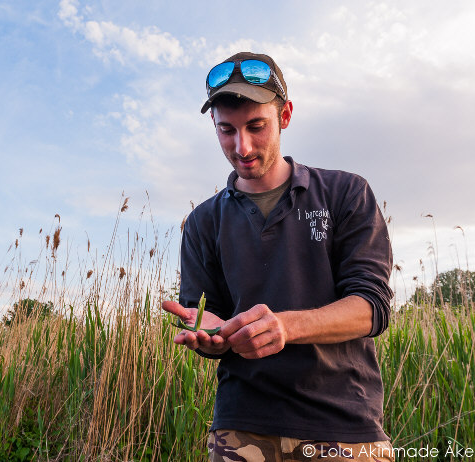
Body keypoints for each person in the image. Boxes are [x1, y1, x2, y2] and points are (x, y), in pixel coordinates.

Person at [160, 52, 395, 461]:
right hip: (240, 428)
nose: (242, 146)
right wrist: (211, 339)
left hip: (343, 426)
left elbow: (371, 308)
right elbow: (209, 317)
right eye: (226, 131)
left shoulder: (345, 193)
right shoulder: (202, 221)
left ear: (285, 115)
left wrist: (285, 326)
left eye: (256, 126)